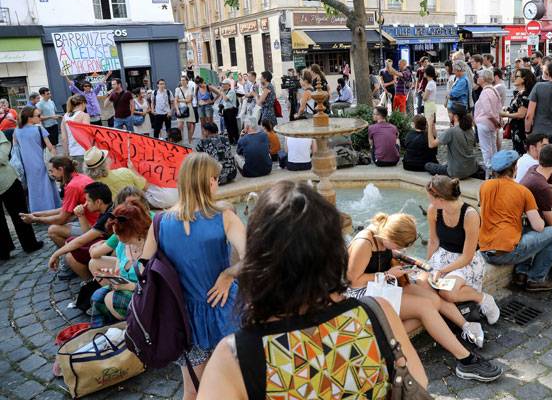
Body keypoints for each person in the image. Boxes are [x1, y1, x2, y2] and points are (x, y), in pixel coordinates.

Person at [197, 181, 429, 399]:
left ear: (259, 259)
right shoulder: (378, 314)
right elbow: (418, 382)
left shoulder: (235, 358)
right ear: (335, 251)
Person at [346, 212, 503, 381]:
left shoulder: (382, 233)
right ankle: (466, 360)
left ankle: (382, 340)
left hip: (381, 286)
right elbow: (353, 281)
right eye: (399, 244)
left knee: (433, 300)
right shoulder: (364, 243)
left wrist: (416, 265)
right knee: (425, 309)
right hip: (362, 296)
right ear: (389, 235)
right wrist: (386, 274)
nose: (401, 249)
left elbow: (391, 255)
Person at [140, 153, 246, 400]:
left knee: (193, 389)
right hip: (224, 311)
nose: (217, 184)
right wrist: (228, 274)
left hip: (183, 319)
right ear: (208, 181)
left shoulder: (160, 222)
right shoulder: (224, 216)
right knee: (236, 385)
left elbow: (144, 269)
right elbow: (252, 258)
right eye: (216, 179)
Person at [479, 150, 552, 291]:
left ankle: (521, 274)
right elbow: (539, 227)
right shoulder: (523, 191)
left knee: (524, 227)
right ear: (514, 168)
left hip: (485, 250)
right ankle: (536, 279)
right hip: (504, 254)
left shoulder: (484, 186)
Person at [425, 176, 499, 323]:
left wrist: (442, 270)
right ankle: (461, 322)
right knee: (422, 284)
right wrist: (427, 265)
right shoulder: (433, 210)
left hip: (465, 262)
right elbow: (433, 241)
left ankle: (483, 298)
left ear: (440, 198)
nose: (429, 201)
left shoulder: (470, 215)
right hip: (442, 256)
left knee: (447, 292)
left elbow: (467, 256)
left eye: (430, 198)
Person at [88, 199, 150, 327]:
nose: (116, 236)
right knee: (97, 296)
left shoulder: (151, 248)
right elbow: (119, 269)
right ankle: (103, 330)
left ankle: (136, 328)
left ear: (133, 230)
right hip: (127, 287)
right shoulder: (122, 244)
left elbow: (155, 287)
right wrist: (111, 276)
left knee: (112, 299)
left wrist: (130, 286)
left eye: (118, 233)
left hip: (147, 295)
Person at [20, 156, 97, 251]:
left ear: (61, 169)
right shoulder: (80, 177)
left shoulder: (72, 186)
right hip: (95, 223)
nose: (51, 174)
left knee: (53, 230)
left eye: (52, 171)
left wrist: (35, 219)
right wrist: (35, 214)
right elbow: (64, 209)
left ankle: (74, 257)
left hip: (94, 227)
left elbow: (62, 219)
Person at [47, 182, 113, 280]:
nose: (85, 204)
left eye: (88, 200)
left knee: (70, 255)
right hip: (110, 246)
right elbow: (88, 234)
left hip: (115, 252)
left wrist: (56, 254)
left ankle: (91, 282)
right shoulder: (107, 209)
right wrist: (81, 215)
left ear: (98, 202)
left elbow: (82, 240)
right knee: (70, 243)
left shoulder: (108, 216)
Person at [0, 131, 42, 259]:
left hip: (7, 178)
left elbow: (3, 149)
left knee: (19, 212)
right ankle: (3, 250)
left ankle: (29, 244)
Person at [13, 106, 60, 212]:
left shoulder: (17, 131)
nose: (40, 117)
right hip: (41, 162)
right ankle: (51, 209)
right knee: (47, 187)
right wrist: (54, 160)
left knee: (33, 189)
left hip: (27, 165)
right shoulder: (39, 128)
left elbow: (15, 149)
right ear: (29, 117)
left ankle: (36, 210)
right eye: (38, 115)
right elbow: (50, 147)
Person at [424, 103, 479, 179]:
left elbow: (431, 144)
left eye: (449, 113)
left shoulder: (451, 131)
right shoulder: (470, 129)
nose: (448, 115)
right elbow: (441, 138)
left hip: (456, 172)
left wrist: (430, 125)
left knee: (428, 165)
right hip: (471, 168)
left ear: (455, 116)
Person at [83, 146, 148, 202]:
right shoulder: (125, 172)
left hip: (111, 215)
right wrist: (133, 169)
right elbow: (145, 187)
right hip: (133, 212)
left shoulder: (90, 186)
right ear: (105, 161)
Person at [501, 68, 536, 155]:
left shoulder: (525, 94)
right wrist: (508, 109)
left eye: (517, 76)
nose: (513, 78)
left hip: (521, 129)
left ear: (524, 79)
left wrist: (504, 114)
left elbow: (521, 114)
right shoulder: (519, 93)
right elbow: (516, 108)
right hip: (516, 128)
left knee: (521, 152)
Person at [473, 69, 501, 177]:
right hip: (491, 124)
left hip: (485, 123)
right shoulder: (494, 90)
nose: (477, 78)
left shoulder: (485, 92)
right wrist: (497, 121)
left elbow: (488, 111)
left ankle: (489, 174)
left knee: (486, 150)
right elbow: (498, 108)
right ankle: (495, 171)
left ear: (483, 79)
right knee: (492, 148)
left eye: (479, 76)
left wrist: (496, 121)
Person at [61, 95, 91, 165]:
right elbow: (87, 134)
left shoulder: (65, 116)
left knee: (76, 175)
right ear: (83, 103)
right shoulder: (84, 115)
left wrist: (66, 153)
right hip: (84, 151)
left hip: (72, 152)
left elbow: (64, 138)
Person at [217, 79, 239, 144]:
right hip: (226, 111)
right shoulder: (226, 92)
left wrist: (222, 92)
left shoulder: (231, 91)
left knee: (233, 126)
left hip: (231, 110)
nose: (223, 86)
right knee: (228, 126)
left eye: (224, 84)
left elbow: (226, 99)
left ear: (228, 85)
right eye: (222, 84)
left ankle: (236, 140)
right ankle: (231, 140)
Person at [175, 76, 196, 144]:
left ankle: (190, 142)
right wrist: (177, 110)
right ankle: (181, 143)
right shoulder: (177, 89)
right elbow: (175, 101)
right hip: (180, 109)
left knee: (189, 126)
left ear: (187, 81)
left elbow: (189, 100)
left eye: (184, 80)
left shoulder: (190, 89)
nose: (182, 82)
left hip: (189, 108)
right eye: (181, 80)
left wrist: (179, 100)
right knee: (180, 127)